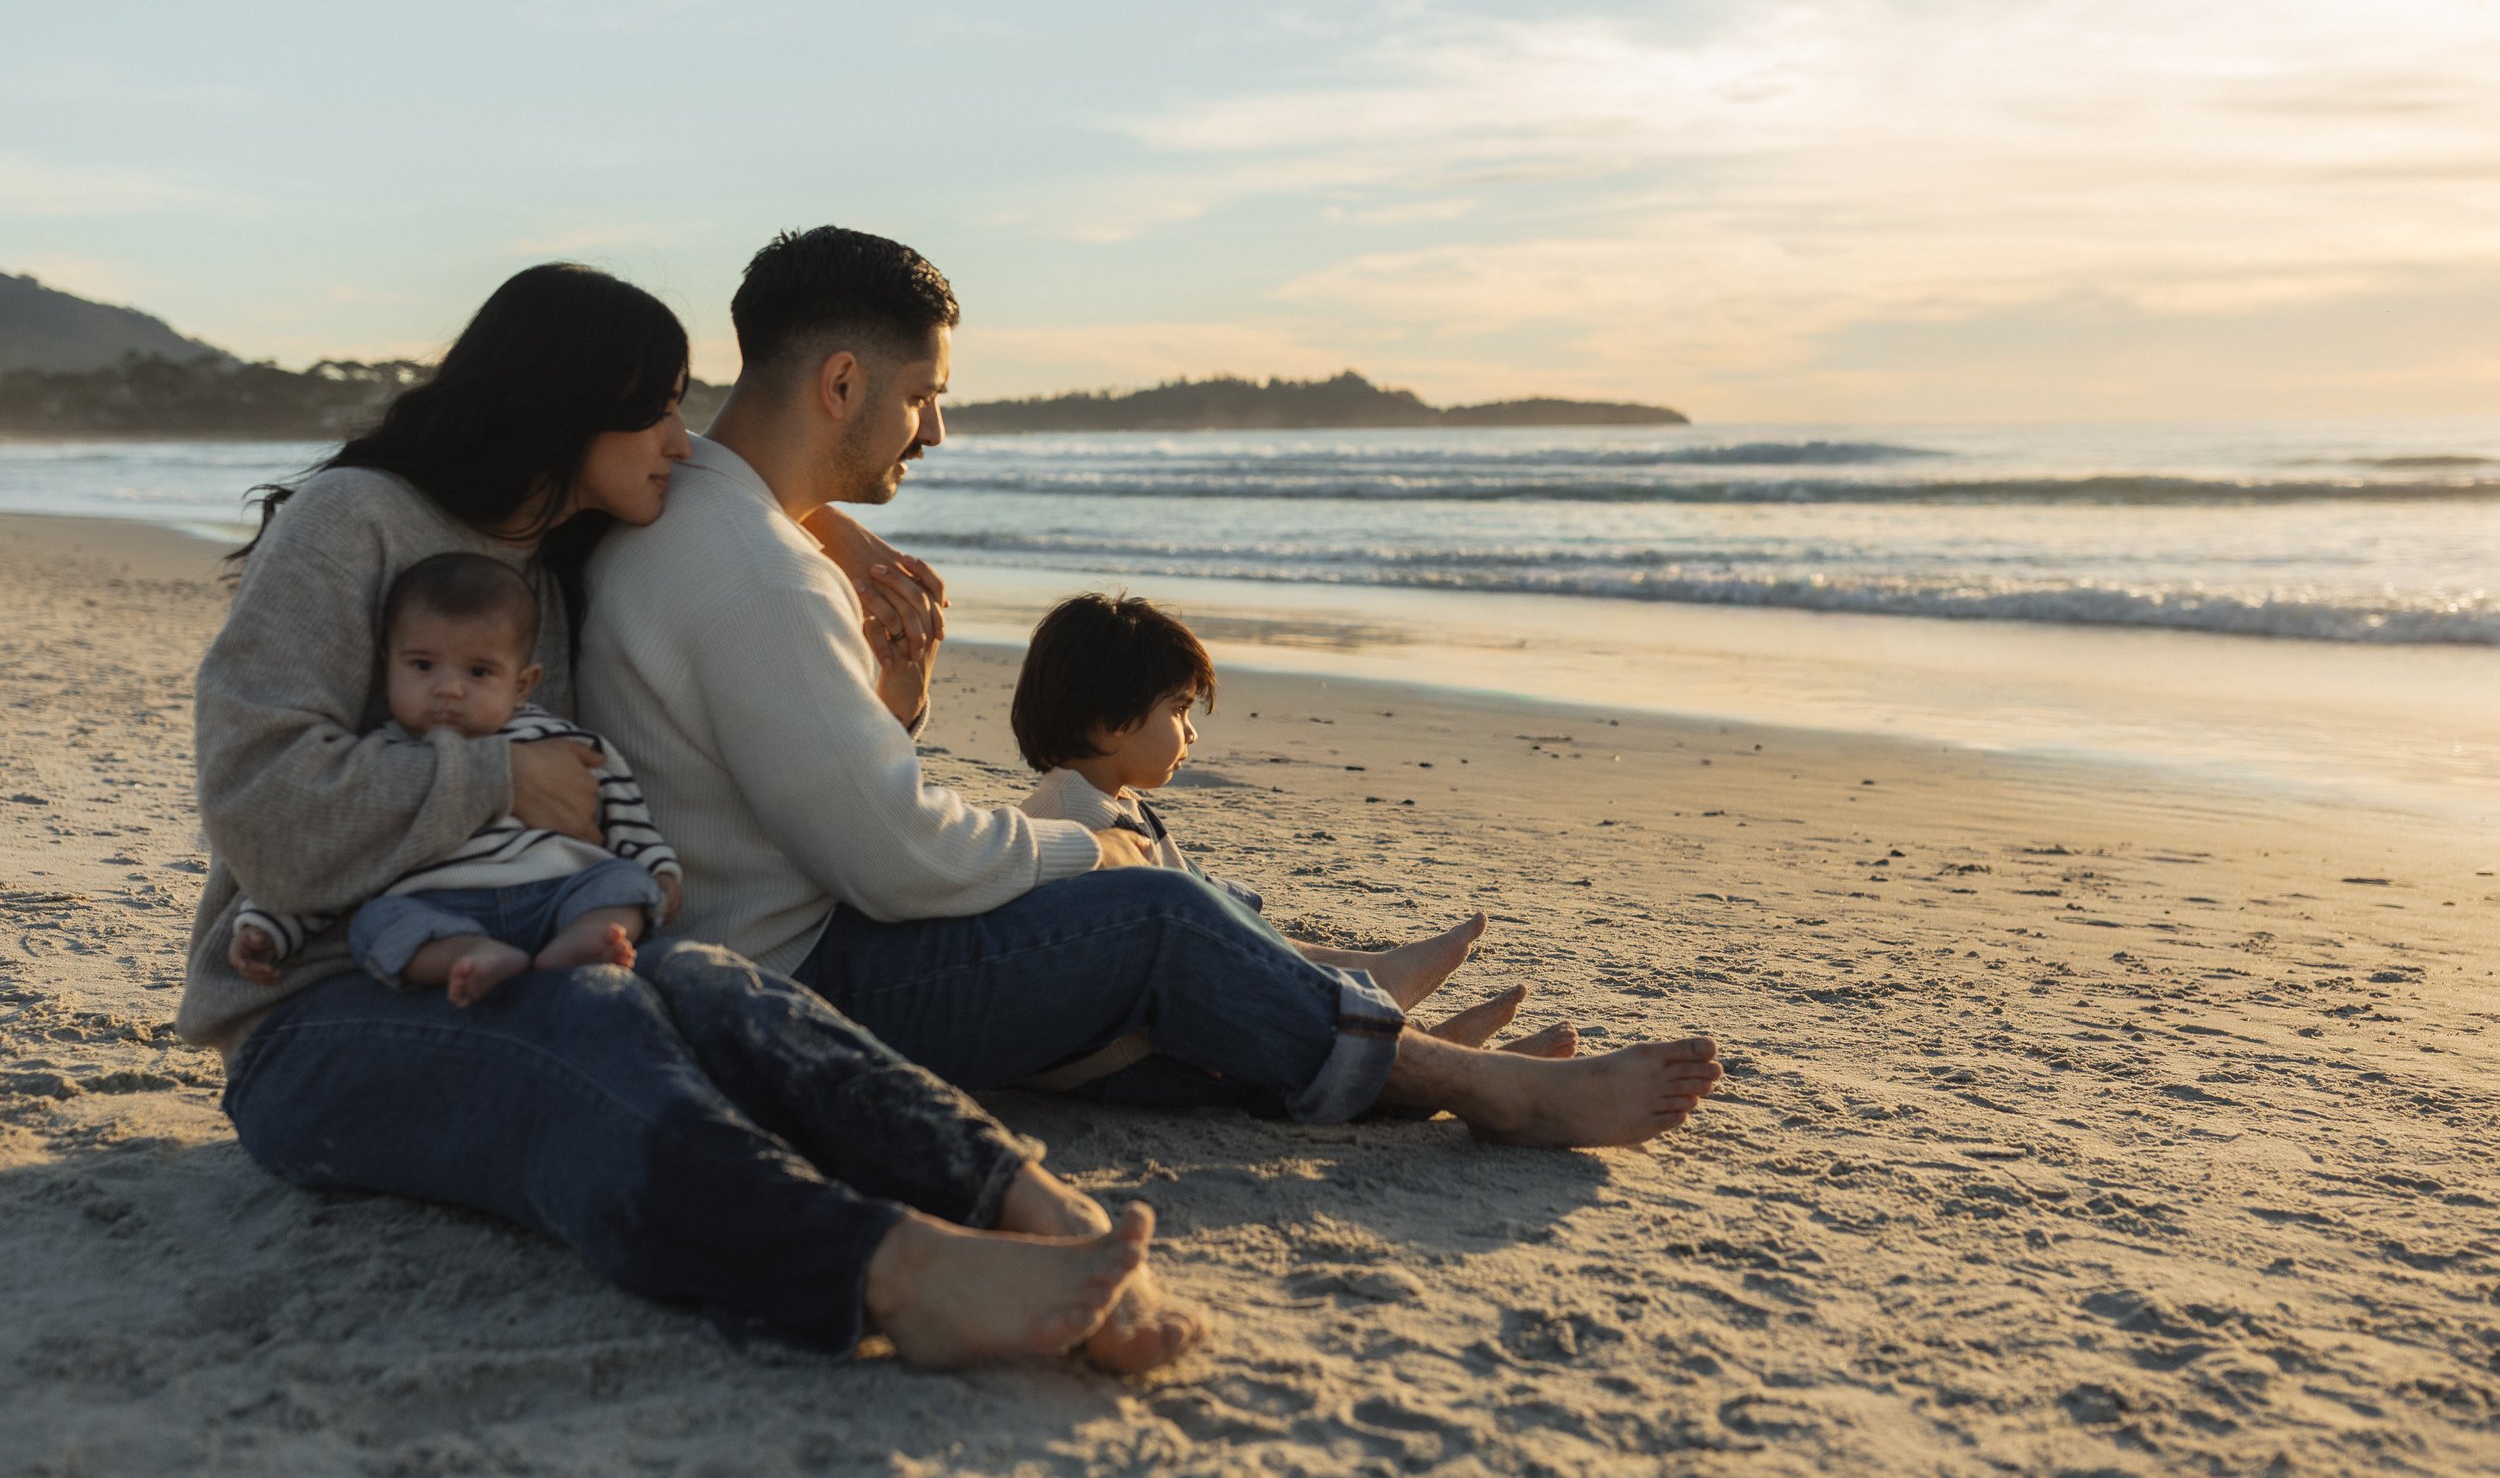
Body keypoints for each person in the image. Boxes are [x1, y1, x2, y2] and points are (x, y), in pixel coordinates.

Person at [178, 263, 1200, 1369]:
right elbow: (256, 806)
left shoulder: (551, 559)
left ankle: (1031, 1204)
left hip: (524, 959)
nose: (681, 435)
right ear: (571, 407)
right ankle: (896, 1270)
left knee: (713, 979)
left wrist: (836, 536)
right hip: (319, 1016)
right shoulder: (353, 521)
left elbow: (735, 483)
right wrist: (501, 782)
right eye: (660, 404)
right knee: (594, 1033)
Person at [580, 225, 1723, 1146]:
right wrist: (1089, 850)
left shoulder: (698, 520)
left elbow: (808, 787)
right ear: (840, 380)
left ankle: (1387, 1051)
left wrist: (896, 687)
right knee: (1155, 913)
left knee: (1130, 962)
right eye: (924, 391)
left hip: (766, 938)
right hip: (802, 976)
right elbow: (897, 855)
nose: (935, 426)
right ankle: (1482, 1088)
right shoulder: (759, 571)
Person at [1010, 590, 1578, 1065]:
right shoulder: (1074, 824)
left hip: (1166, 1004)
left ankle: (1379, 986)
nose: (1192, 732)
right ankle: (1427, 1049)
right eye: (1179, 710)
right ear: (1110, 724)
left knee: (1241, 927)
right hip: (1139, 1052)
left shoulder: (1108, 802)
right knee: (1275, 1029)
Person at [227, 551, 683, 1007]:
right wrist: (270, 925)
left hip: (561, 896)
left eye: (479, 672)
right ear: (388, 665)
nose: (448, 688)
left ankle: (584, 941)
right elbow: (335, 860)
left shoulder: (562, 743)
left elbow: (628, 817)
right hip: (438, 911)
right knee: (375, 924)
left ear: (522, 685)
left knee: (625, 880)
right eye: (423, 666)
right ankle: (475, 958)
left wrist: (660, 870)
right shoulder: (380, 759)